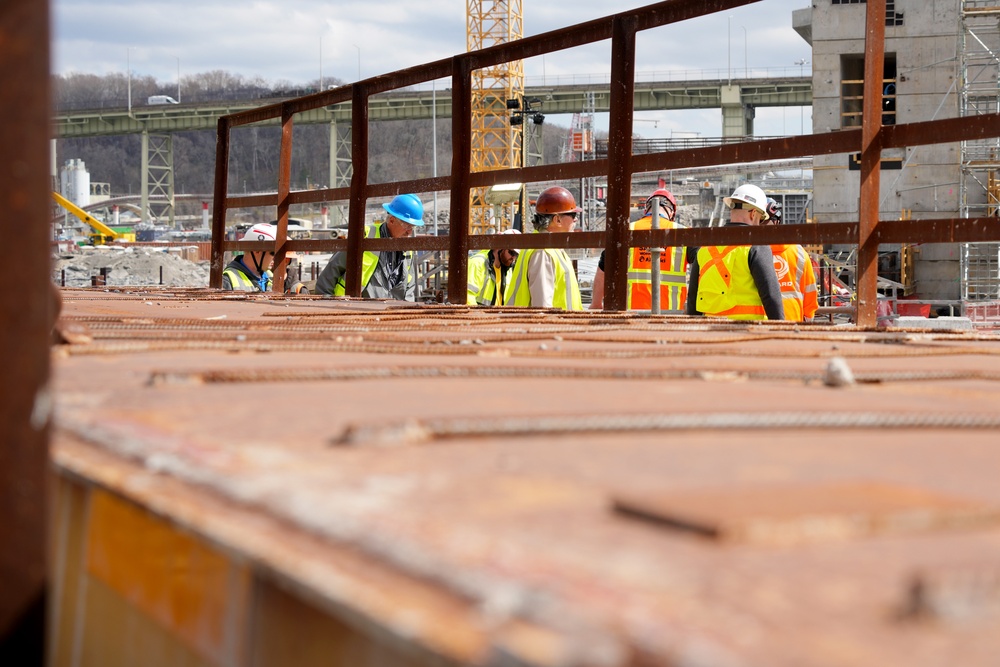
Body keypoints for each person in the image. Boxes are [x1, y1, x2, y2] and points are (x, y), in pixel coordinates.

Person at [685, 183, 784, 320]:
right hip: (748, 334)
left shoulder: (705, 248)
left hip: (711, 335)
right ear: (754, 213)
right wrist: (781, 330)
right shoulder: (756, 246)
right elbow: (771, 296)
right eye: (761, 219)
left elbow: (692, 300)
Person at [589, 188, 687, 311]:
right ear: (672, 213)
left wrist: (596, 304)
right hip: (672, 316)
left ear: (646, 210)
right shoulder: (683, 233)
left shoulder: (626, 231)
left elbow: (604, 269)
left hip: (631, 314)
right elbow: (701, 266)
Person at [315, 193, 423, 299]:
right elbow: (332, 270)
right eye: (406, 226)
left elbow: (409, 289)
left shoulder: (407, 249)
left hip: (389, 312)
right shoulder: (365, 236)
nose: (409, 232)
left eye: (412, 227)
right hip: (351, 308)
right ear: (391, 220)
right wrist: (325, 302)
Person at [504, 186, 583, 310]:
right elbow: (542, 306)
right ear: (557, 219)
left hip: (561, 326)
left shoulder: (549, 248)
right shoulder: (542, 251)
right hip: (549, 327)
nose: (576, 219)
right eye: (572, 215)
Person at [764, 197, 818, 322]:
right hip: (792, 321)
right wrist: (808, 320)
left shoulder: (748, 250)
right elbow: (810, 293)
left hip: (760, 323)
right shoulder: (798, 252)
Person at [467, 229, 520, 306]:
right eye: (512, 253)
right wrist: (479, 316)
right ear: (500, 247)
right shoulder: (478, 263)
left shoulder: (508, 270)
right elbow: (467, 296)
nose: (513, 258)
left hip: (498, 316)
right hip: (479, 316)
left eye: (516, 255)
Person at [222, 222, 276, 292]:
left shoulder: (270, 275)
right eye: (272, 253)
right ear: (257, 250)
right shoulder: (228, 279)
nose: (275, 258)